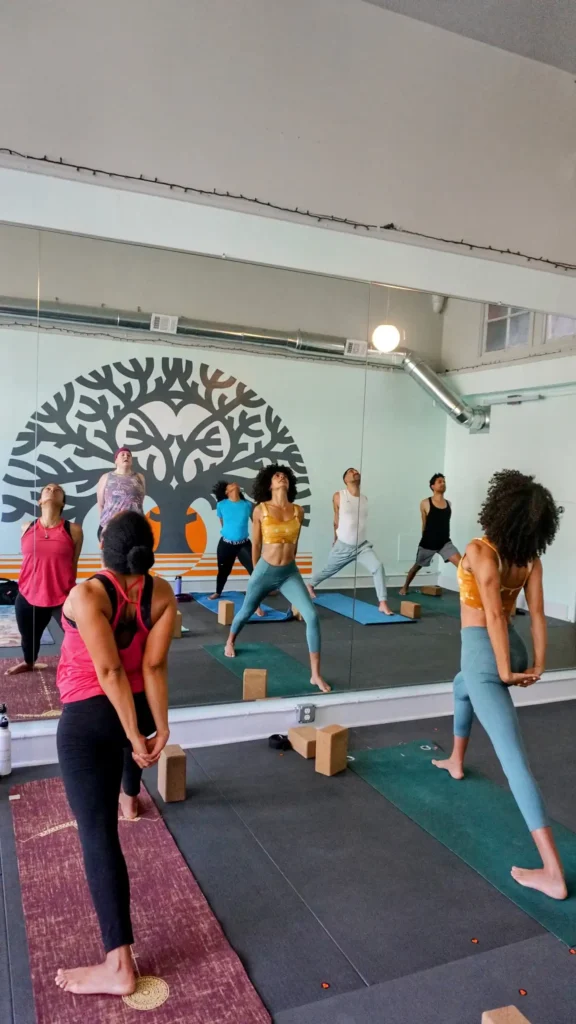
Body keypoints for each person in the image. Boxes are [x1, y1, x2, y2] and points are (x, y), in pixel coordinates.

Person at [55, 511, 176, 997]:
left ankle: (119, 966)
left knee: (97, 833)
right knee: (128, 750)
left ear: (103, 544)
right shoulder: (162, 593)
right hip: (139, 708)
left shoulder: (85, 595)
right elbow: (154, 665)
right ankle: (131, 796)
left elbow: (107, 674)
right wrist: (156, 729)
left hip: (89, 721)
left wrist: (136, 734)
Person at [433, 470, 566, 900]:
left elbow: (491, 617)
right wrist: (538, 664)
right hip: (513, 648)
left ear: (499, 509)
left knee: (513, 759)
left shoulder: (480, 550)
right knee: (460, 688)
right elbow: (539, 615)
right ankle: (456, 759)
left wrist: (507, 673)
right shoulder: (529, 559)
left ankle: (552, 871)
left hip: (486, 656)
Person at [224, 464, 330, 692]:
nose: (281, 477)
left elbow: (295, 543)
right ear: (269, 484)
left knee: (311, 615)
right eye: (276, 476)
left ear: (289, 483)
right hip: (264, 571)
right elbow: (256, 545)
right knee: (246, 611)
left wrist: (295, 574)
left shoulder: (298, 511)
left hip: (289, 572)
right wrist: (256, 574)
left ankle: (315, 674)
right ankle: (230, 640)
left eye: (284, 476)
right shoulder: (260, 509)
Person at [8, 483, 83, 676]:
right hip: (27, 593)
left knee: (78, 638)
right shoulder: (27, 527)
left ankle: (80, 670)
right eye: (47, 489)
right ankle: (29, 663)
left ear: (62, 502)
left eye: (57, 490)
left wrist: (70, 592)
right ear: (40, 500)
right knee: (28, 639)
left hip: (62, 596)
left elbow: (73, 563)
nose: (52, 490)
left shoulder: (73, 530)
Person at [306, 468, 392, 615]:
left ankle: (382, 603)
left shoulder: (364, 498)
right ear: (345, 479)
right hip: (344, 545)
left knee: (377, 566)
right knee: (329, 570)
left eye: (356, 470)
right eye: (351, 471)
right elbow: (336, 519)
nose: (355, 472)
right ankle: (310, 585)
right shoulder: (339, 496)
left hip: (362, 546)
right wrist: (335, 538)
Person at [208, 480, 263, 615]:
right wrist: (230, 536)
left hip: (243, 544)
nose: (234, 483)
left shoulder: (248, 505)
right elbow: (223, 523)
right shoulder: (221, 505)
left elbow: (256, 523)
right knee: (223, 571)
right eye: (230, 485)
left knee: (256, 572)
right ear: (226, 492)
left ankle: (256, 605)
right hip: (226, 544)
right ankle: (218, 591)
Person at [400, 473, 460, 595]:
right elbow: (424, 524)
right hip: (428, 542)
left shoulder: (449, 504)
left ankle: (471, 591)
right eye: (439, 481)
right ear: (433, 486)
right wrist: (425, 539)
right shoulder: (425, 503)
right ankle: (405, 586)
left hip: (445, 543)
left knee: (462, 565)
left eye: (444, 481)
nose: (443, 483)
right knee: (416, 567)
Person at [97, 447, 145, 538]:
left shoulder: (140, 477)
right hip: (111, 527)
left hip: (135, 527)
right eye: (122, 455)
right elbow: (100, 504)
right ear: (116, 461)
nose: (126, 456)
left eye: (128, 455)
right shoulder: (106, 477)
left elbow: (140, 501)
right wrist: (104, 524)